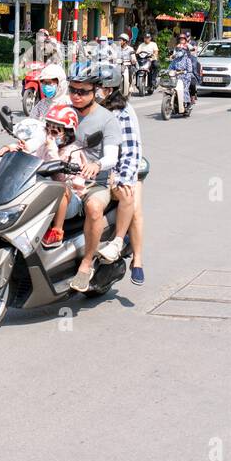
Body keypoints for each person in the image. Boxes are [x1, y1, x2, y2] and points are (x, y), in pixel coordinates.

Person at [64, 65, 124, 292]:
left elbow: (111, 155)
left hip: (94, 181)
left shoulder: (107, 119)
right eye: (73, 90)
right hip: (60, 174)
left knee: (94, 209)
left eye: (83, 92)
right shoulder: (63, 110)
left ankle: (86, 264)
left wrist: (96, 165)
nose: (76, 96)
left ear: (96, 91)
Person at [95, 77, 145, 285]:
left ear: (108, 89)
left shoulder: (122, 111)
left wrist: (121, 176)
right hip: (98, 169)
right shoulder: (88, 107)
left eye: (97, 88)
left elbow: (131, 150)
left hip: (128, 167)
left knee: (133, 205)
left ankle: (138, 259)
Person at [35, 105, 89, 251]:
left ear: (68, 133)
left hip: (71, 201)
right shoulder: (45, 146)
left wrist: (52, 149)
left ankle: (56, 232)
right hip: (46, 194)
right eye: (48, 130)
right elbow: (33, 161)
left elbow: (61, 177)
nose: (50, 135)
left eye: (55, 131)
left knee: (61, 188)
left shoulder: (73, 151)